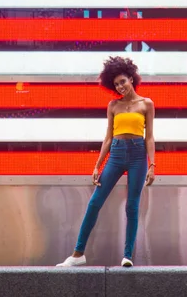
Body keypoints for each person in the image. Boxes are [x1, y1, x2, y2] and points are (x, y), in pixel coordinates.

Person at [57, 56, 156, 267]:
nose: (120, 86)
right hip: (117, 154)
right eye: (117, 84)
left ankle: (127, 256)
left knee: (132, 206)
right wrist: (97, 165)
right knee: (94, 203)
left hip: (138, 155)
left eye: (123, 81)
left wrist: (152, 165)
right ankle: (78, 254)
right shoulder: (113, 106)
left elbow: (149, 137)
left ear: (131, 78)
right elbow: (108, 138)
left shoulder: (146, 104)